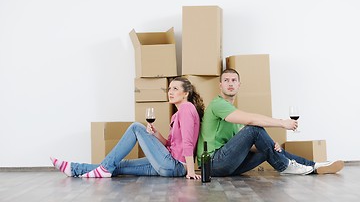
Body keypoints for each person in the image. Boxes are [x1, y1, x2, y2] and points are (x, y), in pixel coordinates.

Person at [196, 68, 344, 176]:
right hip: (212, 163)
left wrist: (270, 145)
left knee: (270, 148)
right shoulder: (218, 105)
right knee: (254, 129)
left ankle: (313, 166)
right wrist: (282, 123)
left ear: (239, 85)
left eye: (234, 80)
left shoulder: (232, 111)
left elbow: (247, 145)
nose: (230, 83)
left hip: (227, 164)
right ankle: (285, 165)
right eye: (226, 80)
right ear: (220, 85)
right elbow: (252, 121)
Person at [51, 77, 205, 179]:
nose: (170, 92)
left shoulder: (186, 108)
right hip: (166, 164)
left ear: (186, 93)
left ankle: (103, 169)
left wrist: (190, 171)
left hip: (175, 166)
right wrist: (156, 133)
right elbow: (169, 144)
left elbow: (188, 143)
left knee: (136, 127)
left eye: (175, 89)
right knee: (119, 165)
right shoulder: (176, 115)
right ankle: (74, 169)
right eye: (169, 89)